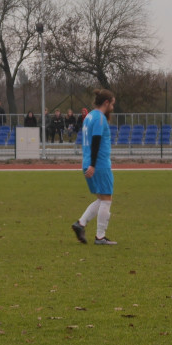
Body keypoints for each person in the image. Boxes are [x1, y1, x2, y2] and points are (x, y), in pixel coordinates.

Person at [71, 89, 117, 246]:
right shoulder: (99, 118)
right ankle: (100, 237)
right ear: (106, 103)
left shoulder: (89, 116)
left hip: (88, 161)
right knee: (107, 199)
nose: (113, 107)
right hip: (99, 164)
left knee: (101, 198)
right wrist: (93, 164)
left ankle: (81, 223)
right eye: (112, 104)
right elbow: (96, 141)